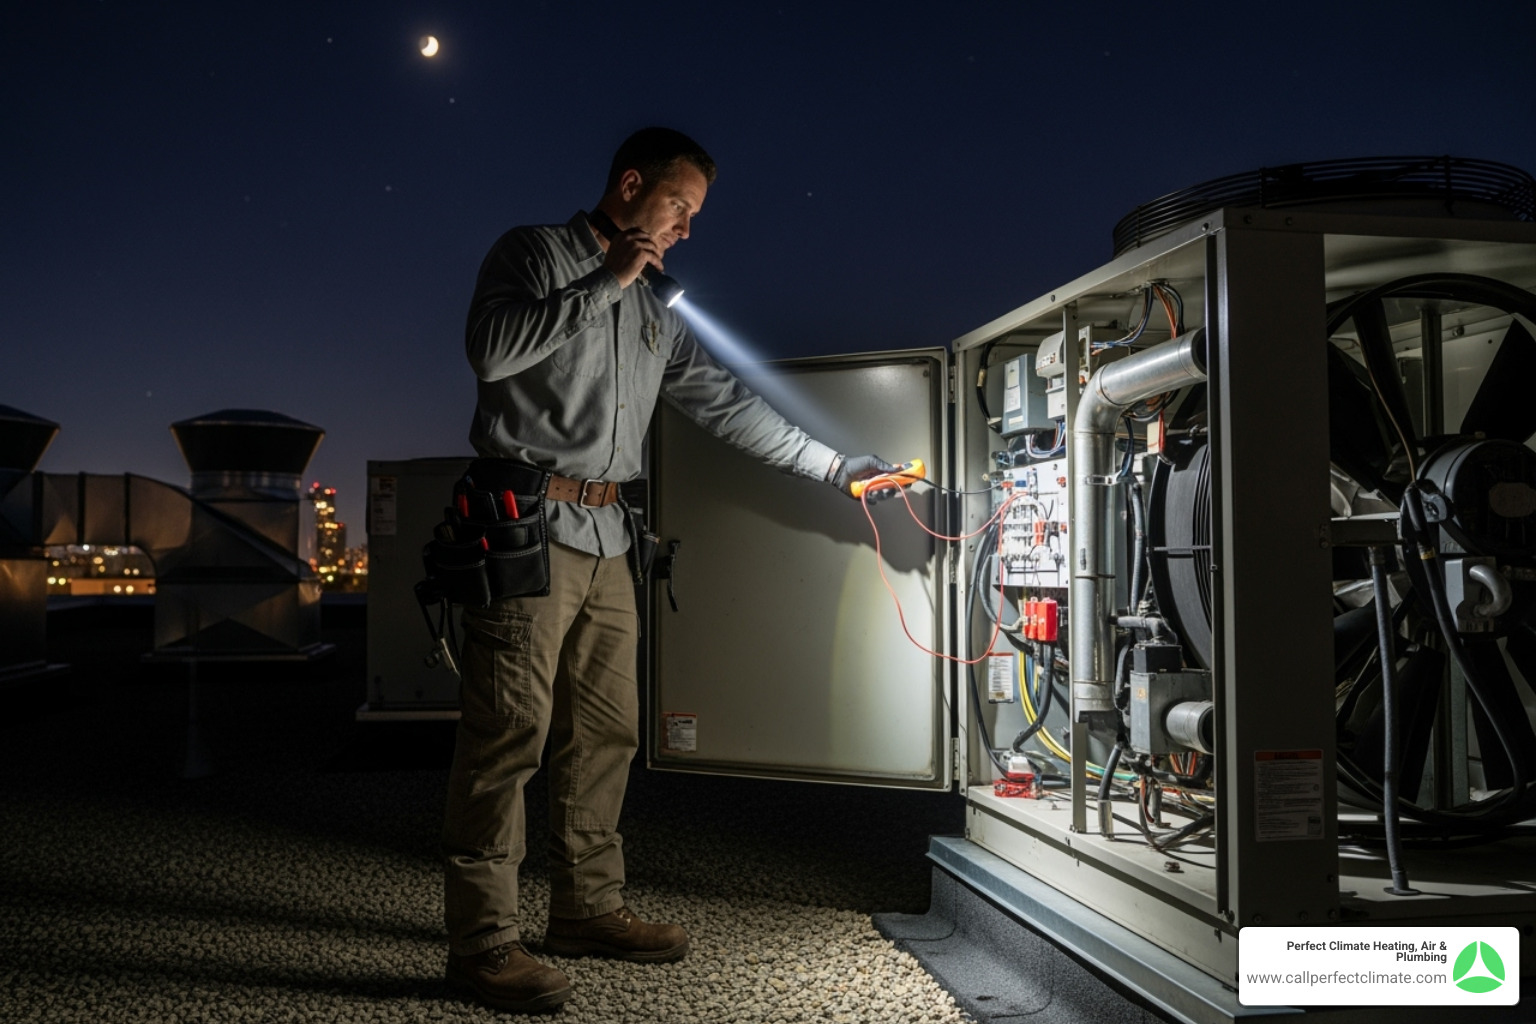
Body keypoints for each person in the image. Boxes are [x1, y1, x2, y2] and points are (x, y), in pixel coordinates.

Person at [443, 126, 897, 1013]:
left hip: (610, 538)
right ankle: (483, 944)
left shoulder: (657, 309)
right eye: (679, 208)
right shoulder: (533, 254)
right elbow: (491, 351)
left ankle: (586, 910)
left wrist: (836, 468)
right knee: (507, 737)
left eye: (694, 216)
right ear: (630, 185)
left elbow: (725, 404)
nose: (687, 229)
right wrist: (604, 281)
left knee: (607, 734)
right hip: (527, 531)